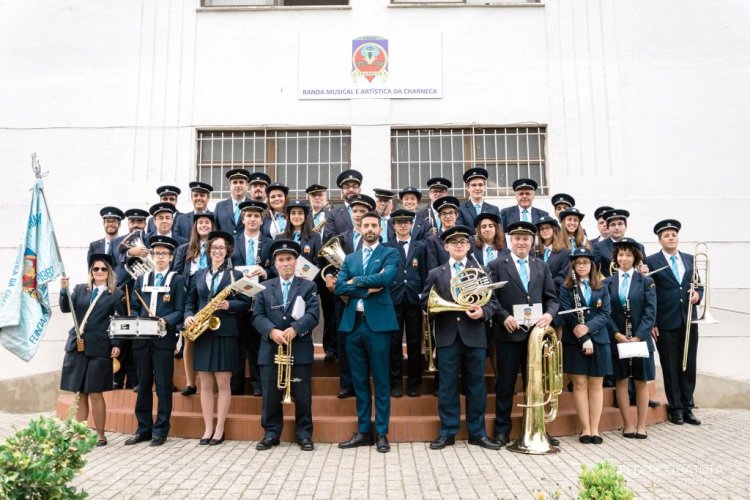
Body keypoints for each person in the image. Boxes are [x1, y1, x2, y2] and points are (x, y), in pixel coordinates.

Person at [422, 225, 501, 450]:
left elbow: (493, 302)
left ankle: (478, 433)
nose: (458, 245)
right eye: (453, 242)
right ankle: (447, 432)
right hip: (447, 337)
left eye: (462, 242)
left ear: (468, 246)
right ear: (446, 246)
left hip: (474, 336)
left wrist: (482, 312)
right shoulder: (436, 273)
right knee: (447, 386)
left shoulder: (481, 271)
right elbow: (426, 302)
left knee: (476, 386)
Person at [488, 221, 559, 447]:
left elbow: (552, 299)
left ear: (532, 241)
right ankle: (502, 431)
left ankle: (538, 430)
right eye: (517, 238)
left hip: (535, 336)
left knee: (535, 385)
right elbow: (490, 297)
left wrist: (548, 316)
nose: (521, 242)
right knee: (505, 385)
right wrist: (503, 316)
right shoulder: (496, 264)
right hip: (509, 334)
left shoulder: (542, 266)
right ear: (510, 240)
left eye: (526, 238)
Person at [336, 211, 399, 453]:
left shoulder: (389, 253)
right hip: (353, 325)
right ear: (359, 228)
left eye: (374, 225)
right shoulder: (350, 258)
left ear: (380, 229)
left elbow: (386, 279)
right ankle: (363, 431)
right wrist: (365, 288)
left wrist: (355, 282)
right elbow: (339, 286)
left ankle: (381, 433)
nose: (370, 229)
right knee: (360, 382)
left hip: (379, 326)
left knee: (382, 381)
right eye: (366, 225)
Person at [183, 231, 251, 445]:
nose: (218, 252)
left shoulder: (236, 276)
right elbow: (190, 303)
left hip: (225, 332)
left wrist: (229, 305)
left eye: (221, 248)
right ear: (209, 251)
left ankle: (219, 429)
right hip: (203, 332)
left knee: (223, 383)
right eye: (214, 248)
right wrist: (188, 317)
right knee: (204, 384)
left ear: (227, 251)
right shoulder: (199, 275)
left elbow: (247, 303)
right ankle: (207, 428)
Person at [253, 240, 321, 451]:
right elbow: (257, 316)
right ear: (274, 264)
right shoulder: (263, 287)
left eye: (289, 259)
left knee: (302, 393)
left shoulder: (309, 286)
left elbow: (313, 314)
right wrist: (272, 331)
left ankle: (304, 434)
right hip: (271, 347)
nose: (285, 264)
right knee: (270, 393)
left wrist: (295, 329)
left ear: (296, 262)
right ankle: (271, 433)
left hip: (298, 346)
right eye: (281, 260)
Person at [125, 235, 186, 446]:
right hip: (142, 339)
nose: (160, 257)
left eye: (164, 254)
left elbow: (179, 310)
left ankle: (160, 429)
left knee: (162, 385)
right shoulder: (142, 279)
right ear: (151, 256)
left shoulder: (177, 280)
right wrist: (136, 318)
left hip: (163, 339)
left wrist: (165, 321)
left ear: (170, 257)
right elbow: (133, 306)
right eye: (156, 253)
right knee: (143, 385)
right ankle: (143, 428)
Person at [59, 254, 125, 446]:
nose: (99, 272)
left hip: (100, 347)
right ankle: (80, 434)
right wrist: (64, 291)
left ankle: (101, 435)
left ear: (109, 272)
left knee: (96, 392)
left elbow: (119, 322)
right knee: (81, 393)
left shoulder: (116, 294)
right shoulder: (80, 289)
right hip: (77, 346)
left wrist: (116, 344)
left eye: (103, 269)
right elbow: (65, 308)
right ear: (91, 272)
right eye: (95, 269)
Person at [644, 219, 702, 426]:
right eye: (666, 235)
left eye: (673, 234)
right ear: (660, 240)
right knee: (670, 365)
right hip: (665, 321)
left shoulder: (690, 259)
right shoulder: (650, 261)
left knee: (689, 365)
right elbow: (648, 294)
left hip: (688, 320)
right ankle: (675, 408)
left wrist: (698, 295)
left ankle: (688, 406)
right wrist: (652, 322)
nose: (671, 238)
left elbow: (698, 285)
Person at [558, 247, 612, 444]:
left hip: (599, 339)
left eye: (586, 263)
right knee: (579, 385)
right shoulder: (566, 288)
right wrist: (583, 338)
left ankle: (596, 429)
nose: (582, 266)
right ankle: (585, 429)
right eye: (578, 263)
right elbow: (569, 315)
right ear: (573, 266)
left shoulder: (602, 286)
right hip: (575, 341)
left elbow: (606, 313)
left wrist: (588, 329)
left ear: (592, 265)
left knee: (596, 385)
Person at [325, 194, 376, 399]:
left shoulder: (377, 240)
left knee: (370, 341)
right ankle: (347, 384)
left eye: (362, 212)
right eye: (355, 211)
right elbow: (326, 262)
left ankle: (368, 382)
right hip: (345, 299)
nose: (357, 215)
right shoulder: (341, 238)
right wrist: (329, 275)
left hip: (370, 297)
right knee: (345, 341)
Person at [606, 238, 657, 439]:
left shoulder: (646, 281)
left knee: (641, 381)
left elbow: (650, 312)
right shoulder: (606, 282)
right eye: (620, 254)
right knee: (620, 380)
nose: (624, 258)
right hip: (618, 339)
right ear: (615, 258)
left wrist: (638, 336)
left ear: (635, 258)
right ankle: (627, 424)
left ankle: (641, 425)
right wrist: (617, 334)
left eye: (628, 254)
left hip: (640, 340)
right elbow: (606, 312)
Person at [231, 200, 274, 396]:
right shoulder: (233, 242)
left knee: (257, 344)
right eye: (249, 215)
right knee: (237, 344)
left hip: (260, 299)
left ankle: (257, 385)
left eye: (256, 216)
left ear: (261, 219)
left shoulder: (270, 243)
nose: (252, 219)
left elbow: (276, 268)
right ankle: (236, 386)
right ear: (243, 218)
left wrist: (265, 272)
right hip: (238, 299)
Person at [171, 212, 216, 396]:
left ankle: (209, 382)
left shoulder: (217, 247)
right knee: (189, 337)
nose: (204, 225)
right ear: (195, 226)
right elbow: (176, 273)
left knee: (210, 339)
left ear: (212, 226)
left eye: (207, 222)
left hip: (210, 295)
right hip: (190, 296)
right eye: (200, 222)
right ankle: (190, 382)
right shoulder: (184, 249)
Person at [384, 209, 427, 397]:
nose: (402, 225)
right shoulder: (386, 247)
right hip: (393, 301)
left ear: (411, 225)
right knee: (393, 344)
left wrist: (423, 297)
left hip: (414, 300)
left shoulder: (420, 247)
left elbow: (425, 274)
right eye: (399, 222)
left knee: (414, 343)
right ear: (393, 226)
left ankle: (414, 383)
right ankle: (395, 383)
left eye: (406, 222)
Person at [307, 184, 336, 359]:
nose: (317, 198)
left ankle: (330, 348)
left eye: (320, 195)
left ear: (326, 197)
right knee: (305, 309)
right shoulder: (305, 216)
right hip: (308, 268)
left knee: (329, 310)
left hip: (327, 267)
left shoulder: (331, 216)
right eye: (313, 196)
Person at [593, 209, 646, 278]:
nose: (617, 228)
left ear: (626, 226)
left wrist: (644, 272)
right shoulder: (598, 247)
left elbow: (642, 270)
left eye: (620, 224)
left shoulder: (639, 246)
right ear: (608, 228)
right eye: (613, 225)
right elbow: (594, 273)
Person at [323, 169, 363, 242]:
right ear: (341, 191)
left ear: (359, 190)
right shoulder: (332, 215)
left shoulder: (370, 211)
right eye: (347, 187)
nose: (351, 190)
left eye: (354, 186)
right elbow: (330, 239)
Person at [534, 215, 570, 293]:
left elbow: (563, 276)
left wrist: (547, 285)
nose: (544, 230)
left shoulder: (564, 252)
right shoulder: (532, 251)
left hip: (555, 293)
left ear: (554, 230)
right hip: (536, 293)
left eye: (547, 228)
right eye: (541, 228)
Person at [425, 196, 461, 270]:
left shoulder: (467, 238)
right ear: (439, 216)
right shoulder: (432, 240)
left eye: (451, 213)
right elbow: (433, 268)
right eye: (444, 213)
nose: (448, 216)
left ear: (456, 215)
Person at [214, 168, 251, 236]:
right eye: (235, 182)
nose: (238, 185)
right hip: (225, 245)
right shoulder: (220, 207)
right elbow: (215, 230)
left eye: (241, 182)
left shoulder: (252, 205)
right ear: (230, 186)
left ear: (247, 186)